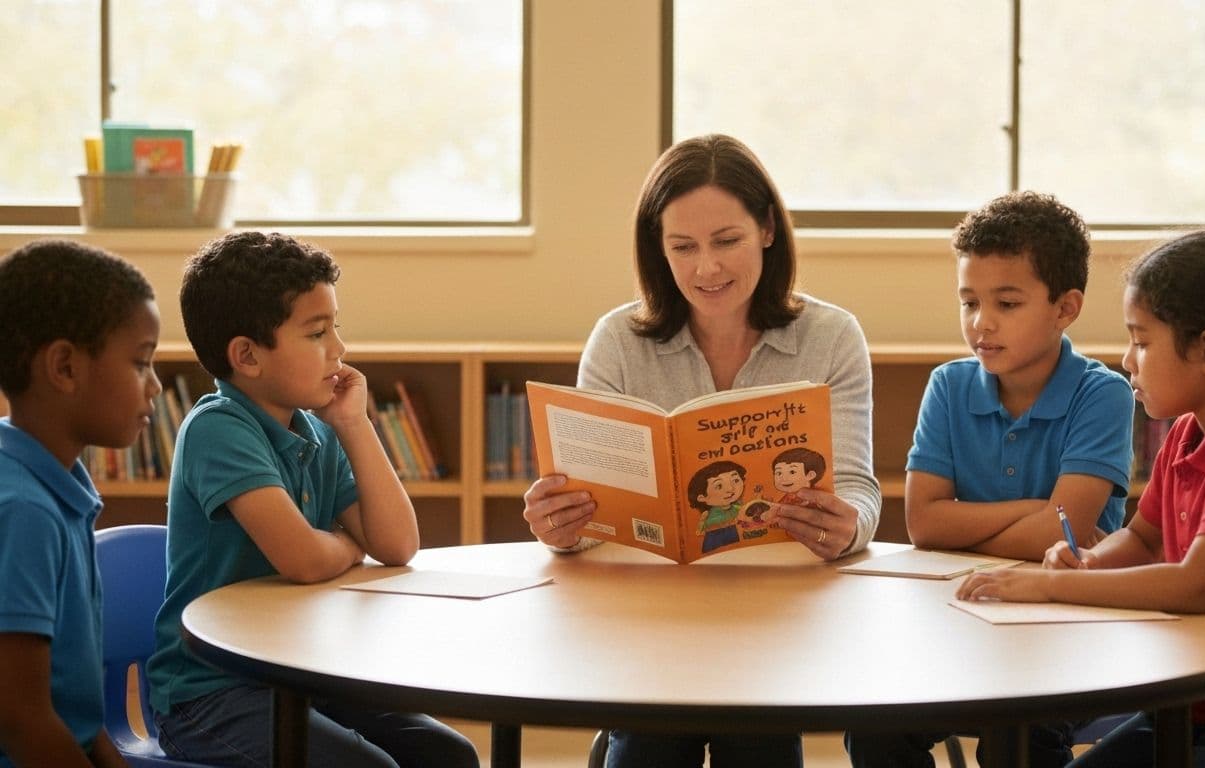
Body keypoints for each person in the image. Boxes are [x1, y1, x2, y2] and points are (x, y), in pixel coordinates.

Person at [522, 133, 882, 768]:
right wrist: (562, 524)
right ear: (656, 249)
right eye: (682, 247)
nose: (705, 269)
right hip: (648, 619)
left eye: (726, 241)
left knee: (760, 744)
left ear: (767, 228)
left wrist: (848, 526)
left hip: (776, 615)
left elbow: (856, 486)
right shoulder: (617, 341)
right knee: (649, 744)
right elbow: (587, 509)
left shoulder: (831, 336)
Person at [956, 228, 1205, 767]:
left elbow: (1194, 585)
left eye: (1142, 342)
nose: (1128, 360)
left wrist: (1051, 586)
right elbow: (1143, 535)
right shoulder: (1188, 432)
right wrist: (1089, 563)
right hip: (1196, 702)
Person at [145, 232, 479, 768]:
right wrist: (349, 547)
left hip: (297, 676)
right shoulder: (217, 429)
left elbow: (396, 545)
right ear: (248, 356)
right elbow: (301, 560)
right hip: (210, 695)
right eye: (318, 332)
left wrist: (353, 424)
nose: (340, 350)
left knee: (447, 754)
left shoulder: (318, 431)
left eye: (336, 328)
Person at [845, 191, 1134, 768]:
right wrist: (1036, 512)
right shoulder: (949, 386)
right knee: (874, 728)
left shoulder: (1103, 393)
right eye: (969, 302)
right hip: (959, 621)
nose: (982, 323)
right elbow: (924, 524)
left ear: (1065, 307)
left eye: (1007, 302)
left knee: (1018, 739)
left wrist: (973, 525)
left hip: (1069, 629)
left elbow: (1065, 529)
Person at [0, 239, 159, 768]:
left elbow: (78, 718)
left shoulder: (55, 483)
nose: (156, 386)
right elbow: (22, 721)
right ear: (65, 368)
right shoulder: (25, 511)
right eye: (141, 363)